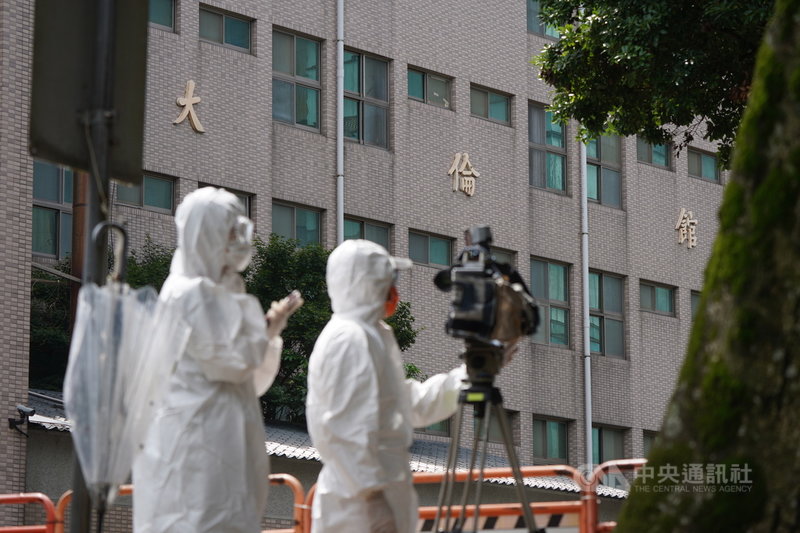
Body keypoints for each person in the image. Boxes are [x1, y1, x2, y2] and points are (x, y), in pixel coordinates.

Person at [133, 187, 303, 533]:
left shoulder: (224, 294)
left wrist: (266, 333)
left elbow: (250, 378)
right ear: (206, 234)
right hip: (195, 443)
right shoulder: (188, 293)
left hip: (225, 440)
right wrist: (264, 332)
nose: (240, 240)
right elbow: (230, 361)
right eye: (230, 231)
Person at [306, 239, 467, 533]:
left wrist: (466, 378)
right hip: (359, 504)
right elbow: (342, 431)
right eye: (388, 281)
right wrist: (372, 493)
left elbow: (407, 404)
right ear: (366, 284)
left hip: (380, 493)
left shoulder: (374, 335)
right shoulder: (349, 338)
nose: (395, 290)